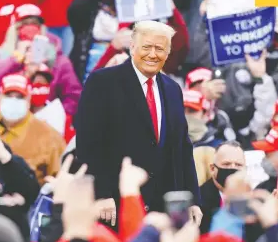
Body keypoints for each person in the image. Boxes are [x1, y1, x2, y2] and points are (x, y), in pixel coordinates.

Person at [75, 20, 202, 226]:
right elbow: (88, 145)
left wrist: (193, 199)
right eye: (147, 47)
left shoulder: (172, 89)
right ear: (132, 47)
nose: (153, 54)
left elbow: (182, 149)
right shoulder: (103, 82)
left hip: (164, 210)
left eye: (160, 49)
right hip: (115, 205)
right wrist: (102, 193)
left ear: (168, 53)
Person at [0, 3, 82, 116]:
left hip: (45, 120)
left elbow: (73, 95)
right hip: (8, 118)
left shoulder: (57, 58)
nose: (30, 28)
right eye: (25, 24)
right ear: (15, 29)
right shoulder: (1, 54)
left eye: (35, 24)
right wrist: (15, 60)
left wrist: (58, 117)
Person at [0, 74, 66, 185]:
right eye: (8, 95)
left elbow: (60, 181)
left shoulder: (49, 137)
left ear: (29, 99)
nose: (13, 101)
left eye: (20, 97)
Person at [199, 140, 246, 234]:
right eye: (226, 164)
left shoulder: (250, 197)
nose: (232, 168)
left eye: (238, 165)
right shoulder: (198, 200)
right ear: (212, 169)